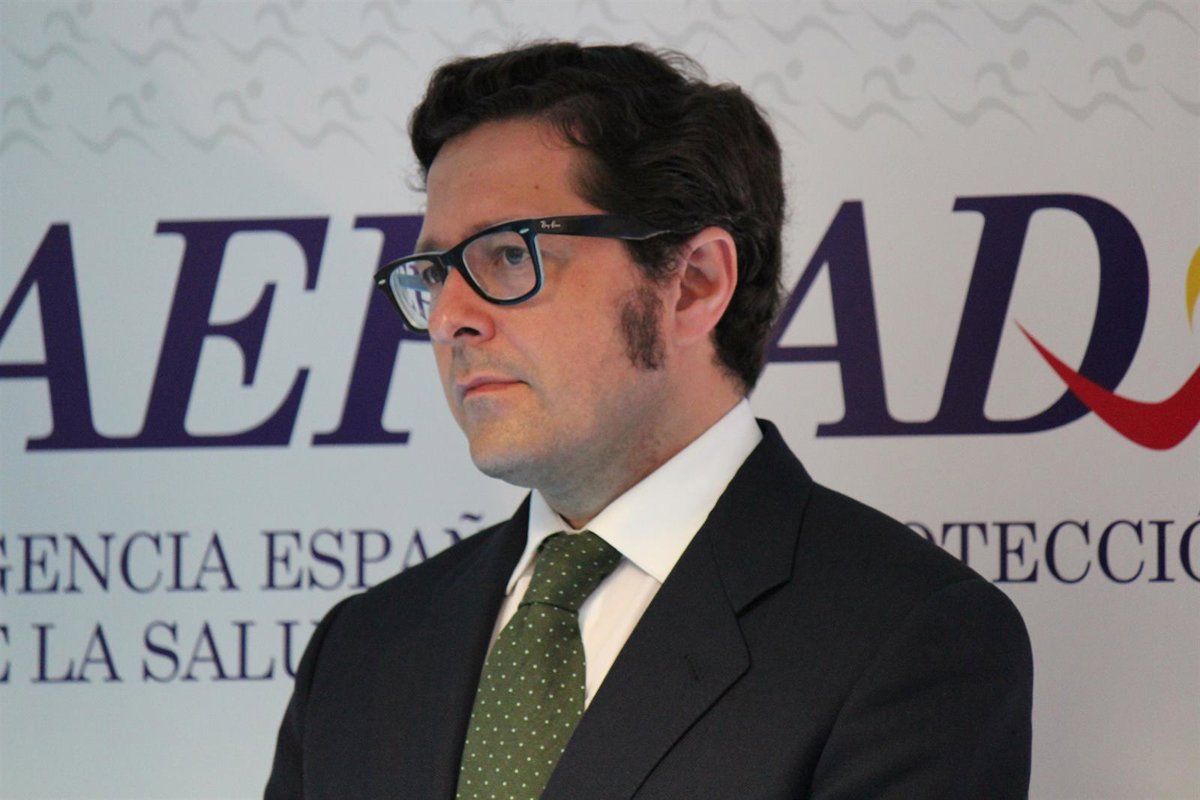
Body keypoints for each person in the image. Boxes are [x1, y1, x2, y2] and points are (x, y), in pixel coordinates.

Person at [265, 41, 1033, 800]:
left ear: (695, 284)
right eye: (435, 274)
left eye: (508, 255)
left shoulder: (908, 636)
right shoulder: (361, 650)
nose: (449, 319)